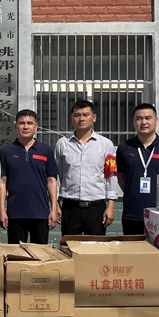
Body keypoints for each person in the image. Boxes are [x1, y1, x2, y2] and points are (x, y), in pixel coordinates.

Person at [116, 103, 159, 236]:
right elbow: (121, 176)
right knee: (133, 248)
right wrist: (133, 192)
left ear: (156, 120)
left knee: (158, 248)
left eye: (148, 118)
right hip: (132, 212)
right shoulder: (124, 147)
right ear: (133, 122)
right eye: (139, 118)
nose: (144, 122)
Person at [54, 100, 118, 236]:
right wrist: (56, 205)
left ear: (94, 117)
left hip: (96, 208)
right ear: (71, 118)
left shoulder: (106, 144)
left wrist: (111, 206)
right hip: (70, 207)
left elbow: (111, 176)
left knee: (96, 247)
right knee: (69, 246)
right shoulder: (62, 144)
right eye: (77, 115)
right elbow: (57, 176)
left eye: (85, 115)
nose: (81, 119)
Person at [0, 109, 59, 244]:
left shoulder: (46, 150)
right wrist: (2, 210)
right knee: (17, 253)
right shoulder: (6, 151)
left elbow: (51, 181)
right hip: (15, 213)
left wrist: (54, 209)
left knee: (40, 253)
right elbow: (2, 182)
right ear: (16, 126)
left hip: (40, 213)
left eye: (30, 123)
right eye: (22, 123)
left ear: (36, 126)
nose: (26, 127)